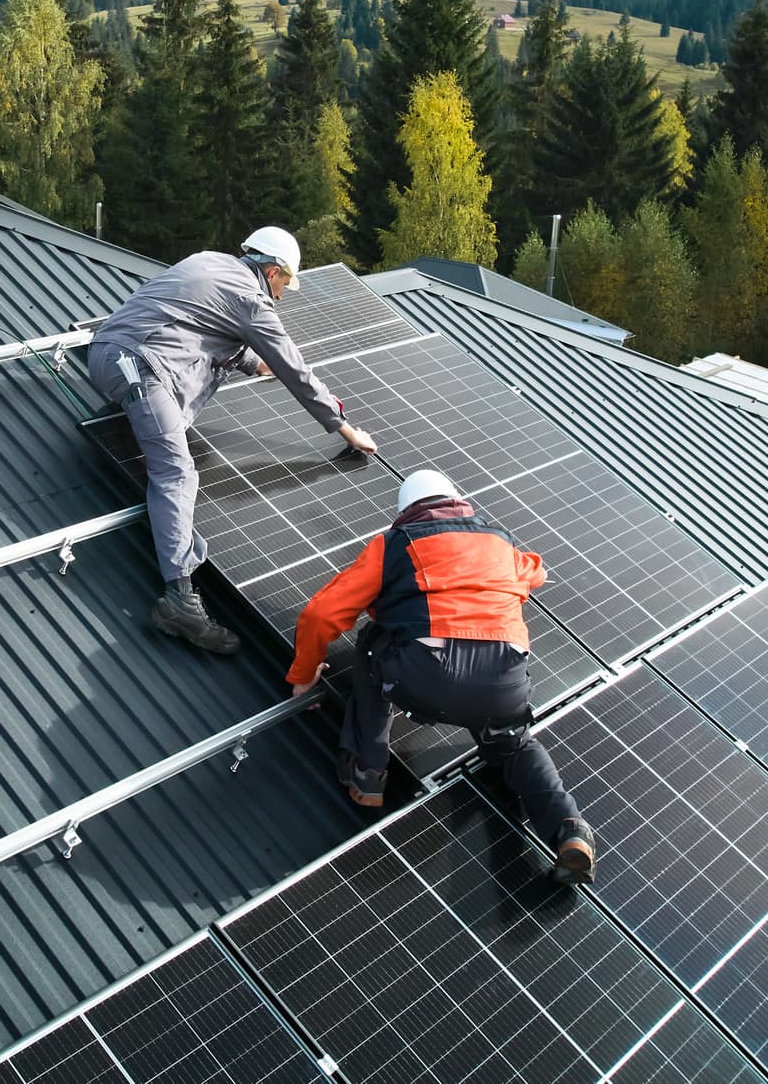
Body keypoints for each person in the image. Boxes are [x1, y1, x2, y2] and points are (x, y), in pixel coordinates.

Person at [288, 469, 596, 883]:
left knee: (371, 642)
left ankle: (368, 771)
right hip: (503, 683)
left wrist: (303, 674)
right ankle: (569, 829)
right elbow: (535, 572)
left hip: (428, 676)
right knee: (516, 745)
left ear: (406, 512)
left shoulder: (394, 544)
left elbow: (321, 614)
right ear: (457, 500)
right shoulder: (500, 542)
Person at [87, 226, 378, 654]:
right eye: (284, 284)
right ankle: (180, 600)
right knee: (177, 471)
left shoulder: (212, 264)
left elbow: (214, 336)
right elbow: (294, 368)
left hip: (116, 356)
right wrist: (344, 427)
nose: (281, 295)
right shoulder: (250, 298)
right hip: (138, 364)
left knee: (171, 447)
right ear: (274, 271)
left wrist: (264, 366)